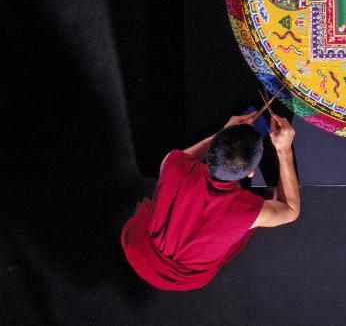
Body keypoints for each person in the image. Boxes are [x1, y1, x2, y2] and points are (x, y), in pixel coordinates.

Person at [121, 111, 300, 290]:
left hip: (138, 248)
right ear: (250, 173)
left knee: (166, 185)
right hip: (183, 278)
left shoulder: (172, 163)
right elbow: (291, 210)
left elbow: (185, 158)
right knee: (274, 199)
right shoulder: (248, 210)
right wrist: (284, 151)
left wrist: (223, 134)